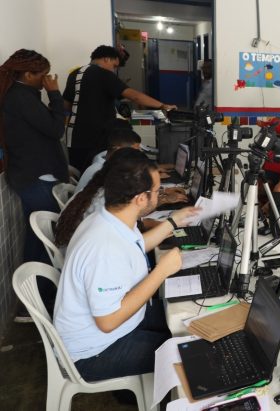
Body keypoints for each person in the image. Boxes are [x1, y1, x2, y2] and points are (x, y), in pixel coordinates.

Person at [53, 152, 198, 382]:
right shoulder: (104, 248)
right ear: (140, 198)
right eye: (157, 191)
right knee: (191, 354)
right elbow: (108, 322)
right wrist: (162, 271)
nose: (159, 195)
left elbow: (139, 245)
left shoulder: (110, 218)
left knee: (190, 318)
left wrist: (174, 221)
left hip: (119, 323)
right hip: (94, 351)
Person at [0, 49, 68, 321]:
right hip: (35, 178)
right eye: (42, 75)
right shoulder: (21, 98)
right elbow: (56, 129)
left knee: (38, 238)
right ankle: (35, 304)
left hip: (32, 175)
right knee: (42, 242)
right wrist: (55, 93)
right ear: (28, 74)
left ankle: (35, 301)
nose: (46, 79)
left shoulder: (22, 95)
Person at [64, 45, 176, 172]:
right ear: (106, 59)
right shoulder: (104, 74)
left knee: (81, 174)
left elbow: (66, 105)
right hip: (96, 137)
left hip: (73, 138)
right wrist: (162, 105)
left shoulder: (74, 74)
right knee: (100, 174)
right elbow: (134, 96)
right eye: (114, 66)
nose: (114, 70)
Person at [55, 148, 147, 248]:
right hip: (83, 251)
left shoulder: (97, 188)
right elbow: (130, 243)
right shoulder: (108, 201)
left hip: (74, 247)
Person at [75, 126, 141, 195]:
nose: (136, 155)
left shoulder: (108, 162)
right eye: (133, 151)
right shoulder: (100, 170)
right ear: (118, 149)